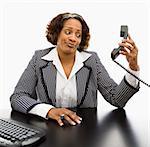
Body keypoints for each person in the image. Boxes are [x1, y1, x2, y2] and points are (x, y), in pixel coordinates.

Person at [10, 12, 140, 126]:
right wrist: (48, 111)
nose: (73, 38)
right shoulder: (39, 59)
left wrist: (133, 66)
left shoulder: (92, 60)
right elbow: (18, 97)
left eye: (78, 35)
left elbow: (117, 99)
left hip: (85, 132)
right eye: (68, 32)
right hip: (47, 130)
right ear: (57, 33)